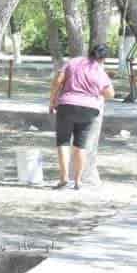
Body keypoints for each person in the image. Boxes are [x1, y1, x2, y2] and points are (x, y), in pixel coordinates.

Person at [49, 43, 116, 190]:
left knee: (63, 141)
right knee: (80, 145)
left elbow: (57, 81)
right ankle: (78, 181)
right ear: (104, 58)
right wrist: (95, 92)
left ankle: (64, 178)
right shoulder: (100, 71)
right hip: (89, 109)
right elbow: (110, 94)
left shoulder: (74, 62)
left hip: (66, 105)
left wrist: (53, 100)